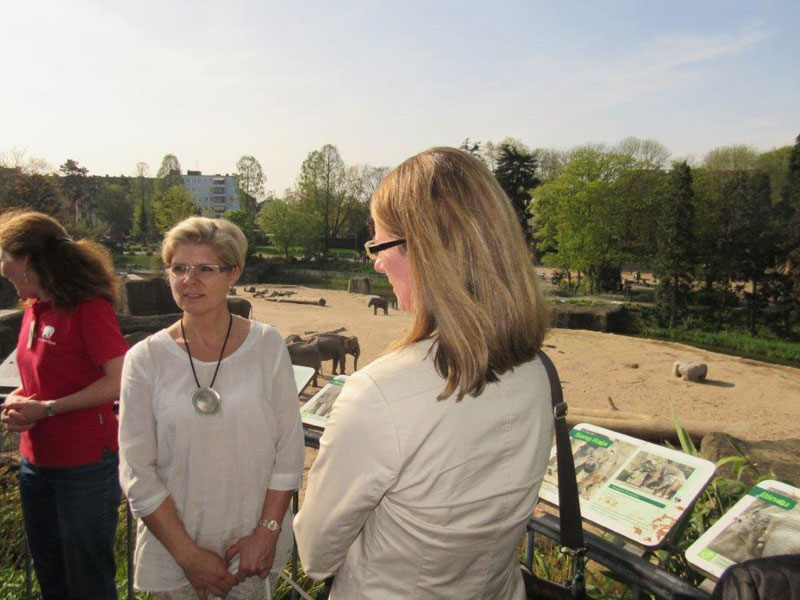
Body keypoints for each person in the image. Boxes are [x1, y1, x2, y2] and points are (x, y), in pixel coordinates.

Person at [294, 147, 554, 599]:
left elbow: (316, 555)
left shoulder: (380, 392)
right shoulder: (538, 370)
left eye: (379, 244)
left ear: (428, 248)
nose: (375, 261)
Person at [118, 216, 304, 600]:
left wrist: (267, 532)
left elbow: (288, 448)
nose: (189, 280)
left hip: (251, 549)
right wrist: (189, 557)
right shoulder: (145, 359)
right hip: (177, 551)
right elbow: (136, 469)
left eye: (205, 269)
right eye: (179, 268)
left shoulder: (267, 345)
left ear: (233, 273)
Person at [0, 210, 128, 600]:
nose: (1, 265)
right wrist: (21, 398)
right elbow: (42, 375)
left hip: (85, 466)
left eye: (3, 255)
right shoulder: (35, 309)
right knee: (51, 573)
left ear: (26, 260)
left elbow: (119, 378)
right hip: (36, 463)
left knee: (88, 580)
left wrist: (50, 408)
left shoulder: (88, 308)